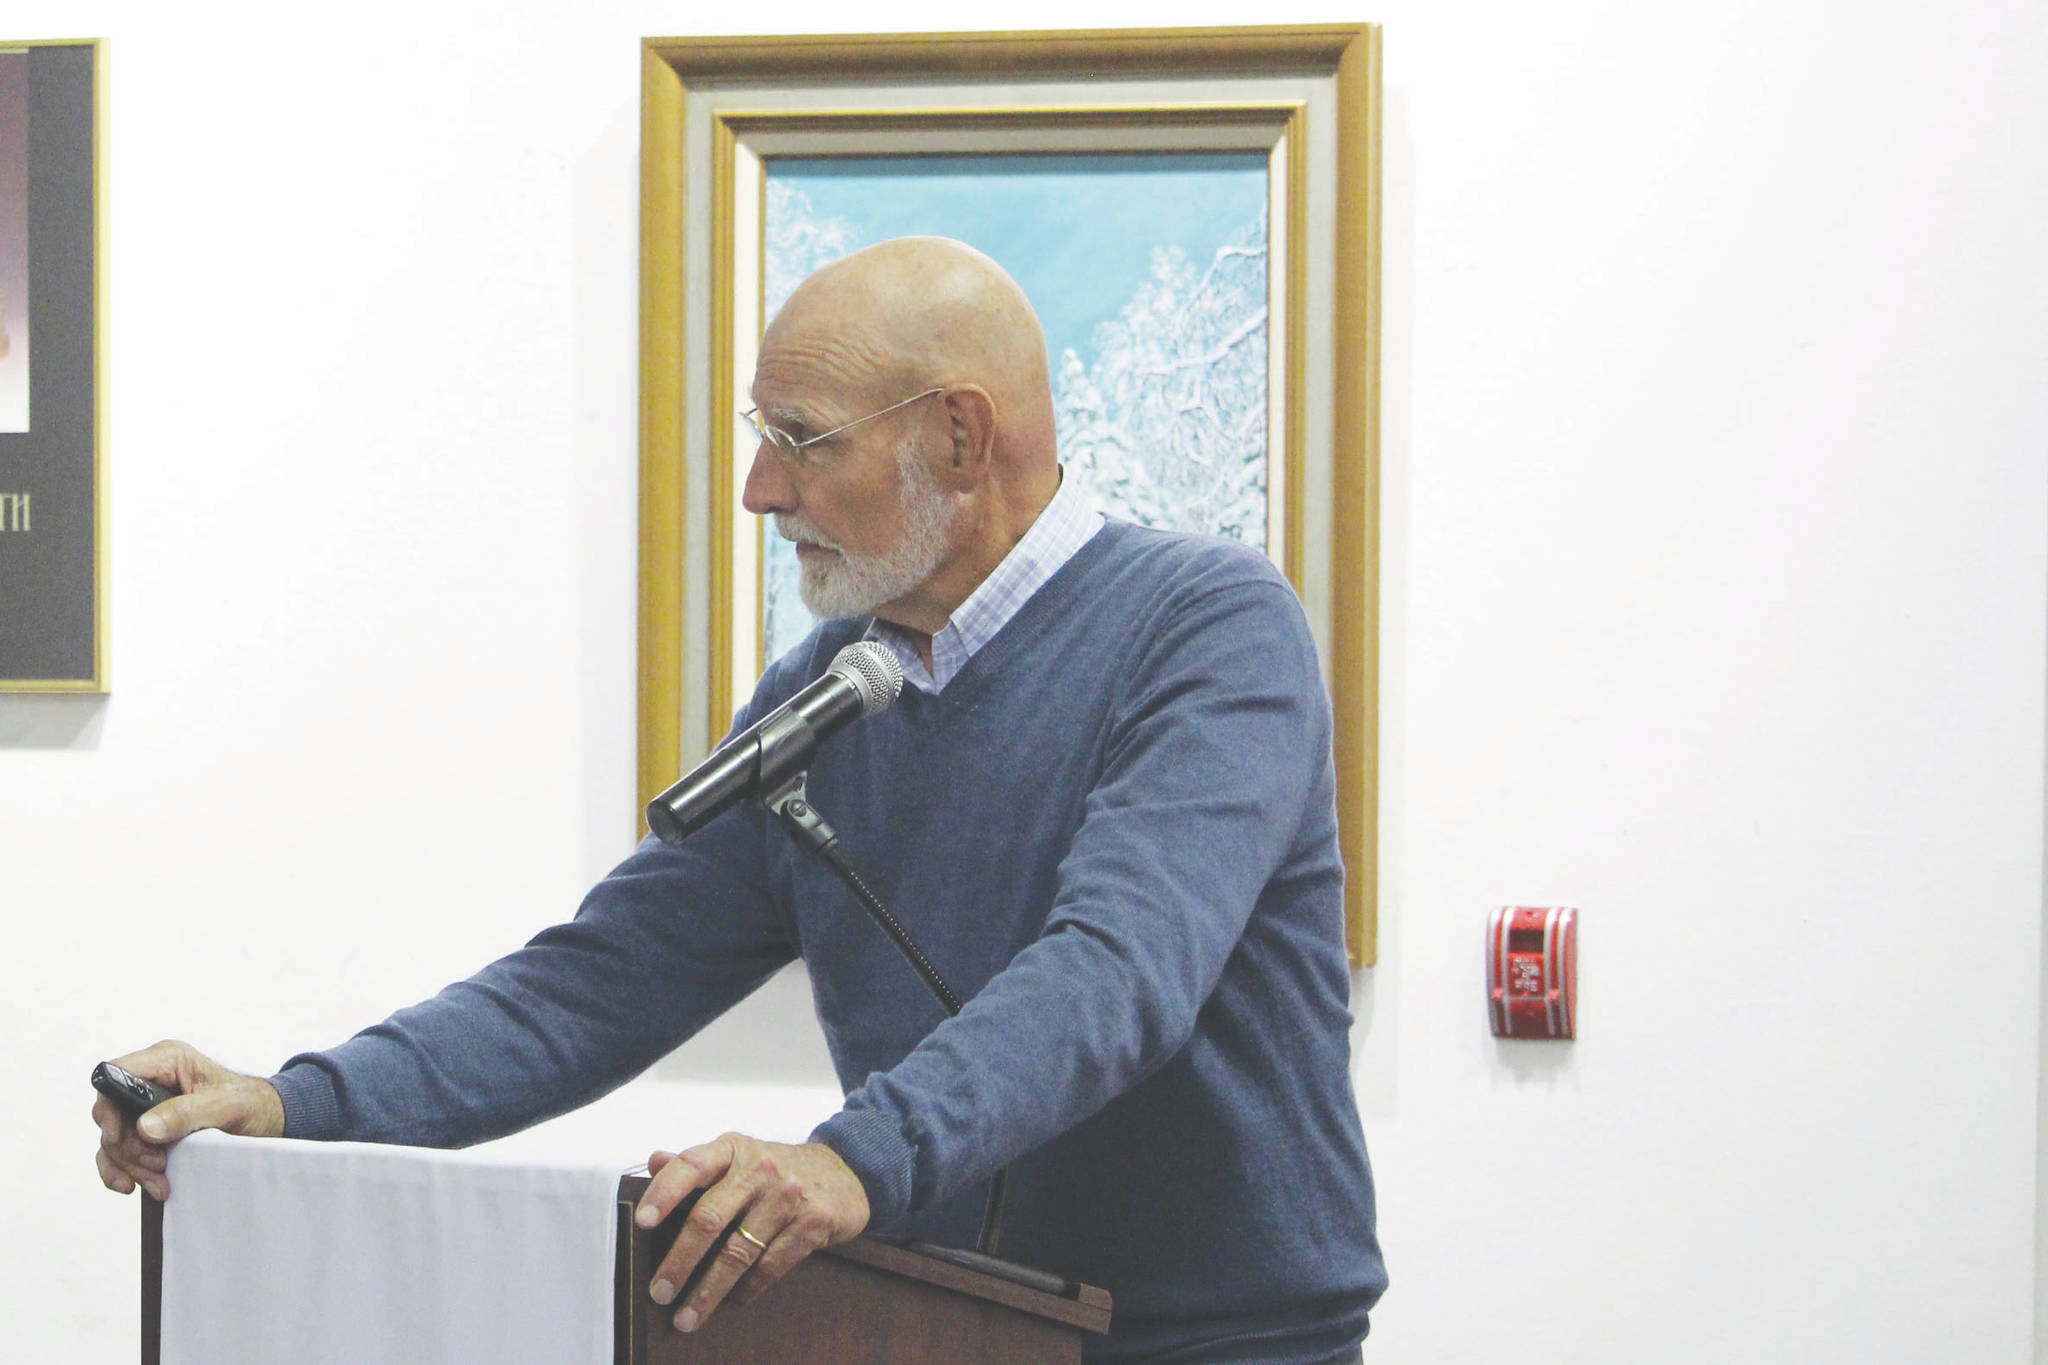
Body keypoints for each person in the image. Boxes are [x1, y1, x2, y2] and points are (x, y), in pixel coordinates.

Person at [94, 237, 1387, 1363]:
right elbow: (589, 987)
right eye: (763, 438)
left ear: (958, 434)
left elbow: (1118, 967)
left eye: (801, 439)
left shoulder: (1209, 629)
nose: (763, 490)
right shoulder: (832, 689)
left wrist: (851, 1161)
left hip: (1219, 1334)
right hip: (948, 1325)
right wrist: (298, 1103)